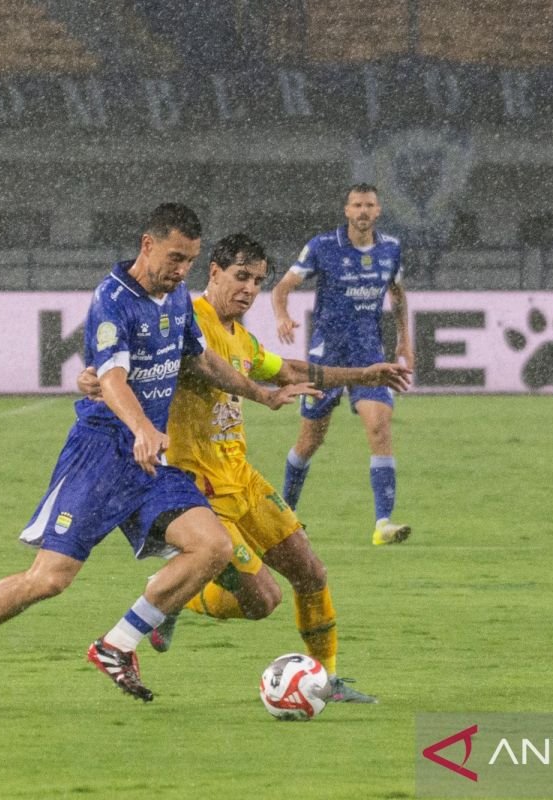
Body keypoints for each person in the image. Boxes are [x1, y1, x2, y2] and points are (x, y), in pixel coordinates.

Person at [0, 204, 317, 707]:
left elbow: (202, 360)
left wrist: (259, 394)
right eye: (173, 257)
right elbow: (110, 379)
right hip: (103, 454)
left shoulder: (175, 299)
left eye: (188, 262)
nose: (179, 271)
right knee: (49, 579)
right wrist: (142, 428)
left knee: (211, 547)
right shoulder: (113, 300)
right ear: (146, 244)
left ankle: (117, 644)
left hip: (150, 460)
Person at [80, 233, 411, 702]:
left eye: (258, 281)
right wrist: (93, 377)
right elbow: (131, 358)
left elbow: (289, 371)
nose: (250, 289)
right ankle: (176, 595)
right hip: (197, 487)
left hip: (242, 476)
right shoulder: (187, 319)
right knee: (261, 601)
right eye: (241, 276)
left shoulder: (241, 338)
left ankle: (328, 680)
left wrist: (365, 374)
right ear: (213, 272)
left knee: (311, 573)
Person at [272, 183, 416, 546]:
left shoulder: (391, 249)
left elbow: (397, 296)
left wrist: (405, 339)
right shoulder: (322, 247)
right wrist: (282, 316)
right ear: (347, 211)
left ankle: (383, 523)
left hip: (369, 352)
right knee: (309, 441)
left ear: (379, 211)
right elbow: (281, 288)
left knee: (380, 427)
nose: (363, 211)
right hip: (327, 355)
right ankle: (283, 515)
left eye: (369, 205)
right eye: (357, 205)